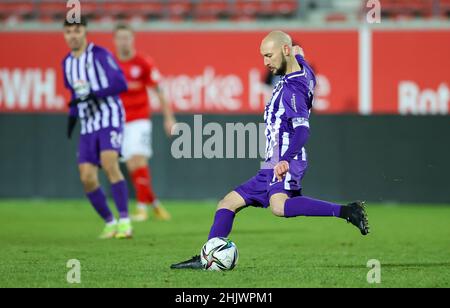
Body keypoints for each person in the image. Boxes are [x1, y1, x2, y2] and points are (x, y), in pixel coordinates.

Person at [170, 31, 369, 269]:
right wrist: (297, 53)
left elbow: (303, 130)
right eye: (263, 56)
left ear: (284, 50)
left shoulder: (292, 90)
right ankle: (209, 255)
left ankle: (347, 211)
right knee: (227, 203)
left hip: (285, 159)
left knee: (279, 207)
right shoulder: (305, 71)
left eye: (268, 55)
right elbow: (299, 55)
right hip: (272, 161)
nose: (265, 62)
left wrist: (285, 159)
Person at [63, 17, 132, 239]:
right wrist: (72, 118)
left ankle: (125, 221)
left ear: (85, 32)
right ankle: (110, 222)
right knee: (87, 177)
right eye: (69, 31)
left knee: (110, 163)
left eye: (77, 30)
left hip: (109, 116)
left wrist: (95, 94)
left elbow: (121, 84)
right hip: (88, 124)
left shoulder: (99, 54)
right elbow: (75, 94)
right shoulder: (67, 62)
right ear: (64, 35)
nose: (73, 35)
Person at [113, 23, 175, 222]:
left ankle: (141, 208)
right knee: (132, 165)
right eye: (120, 38)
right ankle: (155, 203)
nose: (124, 41)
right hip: (119, 121)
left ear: (133, 39)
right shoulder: (110, 64)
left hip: (140, 119)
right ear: (115, 40)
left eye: (127, 37)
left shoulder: (142, 63)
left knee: (138, 159)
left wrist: (169, 117)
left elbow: (160, 91)